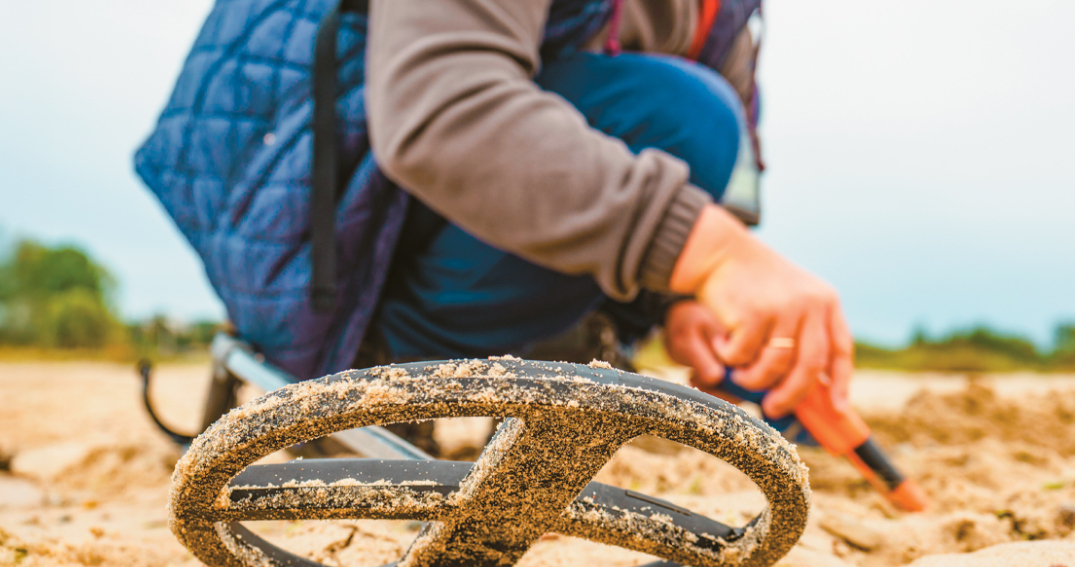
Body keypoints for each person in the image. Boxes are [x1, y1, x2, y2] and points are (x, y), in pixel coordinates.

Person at [136, 0, 853, 429]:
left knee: (695, 115)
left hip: (434, 235)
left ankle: (572, 335)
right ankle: (380, 359)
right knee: (686, 114)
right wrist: (714, 254)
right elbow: (441, 111)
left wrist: (684, 301)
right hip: (331, 259)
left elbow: (717, 184)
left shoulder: (727, 15)